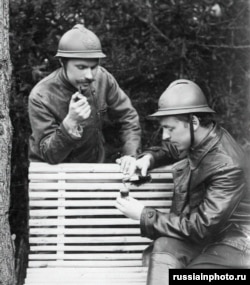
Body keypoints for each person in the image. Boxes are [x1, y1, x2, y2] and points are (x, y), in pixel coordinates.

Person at [116, 79, 250, 284]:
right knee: (163, 247)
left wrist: (143, 214)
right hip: (211, 237)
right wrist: (147, 159)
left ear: (194, 122)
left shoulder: (228, 165)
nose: (165, 135)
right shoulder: (201, 139)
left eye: (170, 128)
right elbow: (172, 149)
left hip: (236, 244)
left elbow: (201, 228)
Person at [28, 24, 141, 167]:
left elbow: (128, 117)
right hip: (51, 176)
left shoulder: (103, 78)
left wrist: (130, 155)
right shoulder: (41, 96)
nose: (89, 76)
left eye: (93, 67)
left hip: (93, 170)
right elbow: (50, 156)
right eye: (81, 67)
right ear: (63, 62)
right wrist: (70, 122)